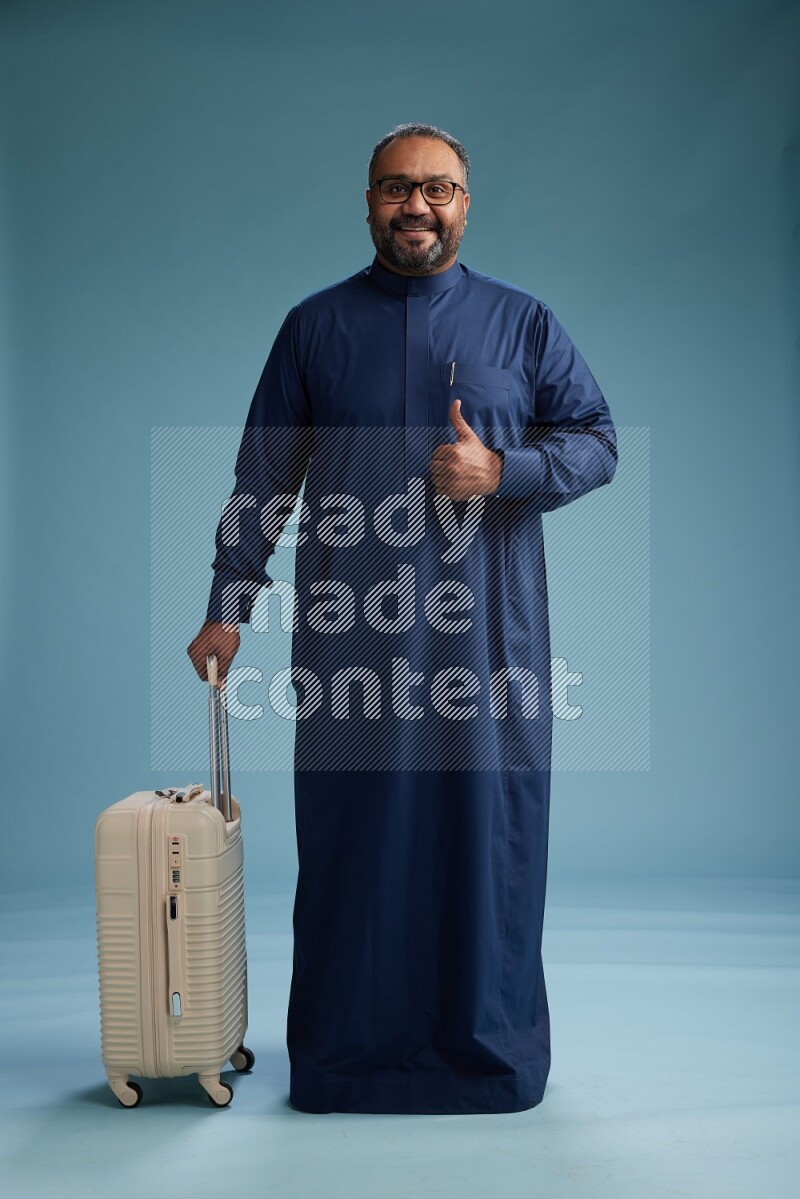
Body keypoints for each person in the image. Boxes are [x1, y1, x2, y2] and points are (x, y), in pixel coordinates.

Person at [187, 122, 617, 1115]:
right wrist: (225, 605)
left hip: (487, 645)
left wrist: (505, 471)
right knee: (355, 842)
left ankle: (488, 1055)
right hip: (353, 642)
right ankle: (345, 1058)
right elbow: (262, 478)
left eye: (437, 189)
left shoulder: (521, 325)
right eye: (394, 188)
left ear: (466, 203)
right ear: (368, 202)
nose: (414, 206)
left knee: (486, 843)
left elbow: (594, 441)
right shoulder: (314, 327)